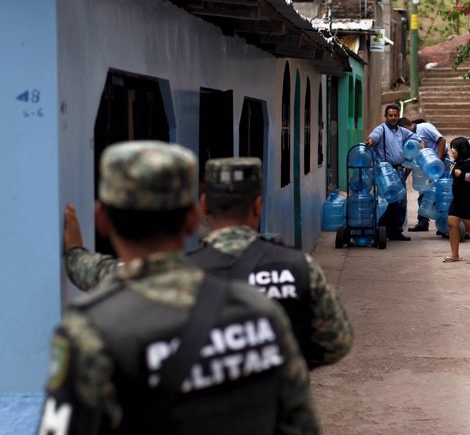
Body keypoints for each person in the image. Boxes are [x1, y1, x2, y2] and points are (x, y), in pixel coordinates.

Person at [38, 141, 319, 434]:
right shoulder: (262, 314)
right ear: (193, 217)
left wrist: (74, 253)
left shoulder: (89, 330)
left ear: (101, 219)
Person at [63, 157, 353, 371]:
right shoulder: (300, 267)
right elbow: (336, 341)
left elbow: (106, 274)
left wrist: (74, 250)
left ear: (203, 206)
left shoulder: (179, 273)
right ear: (258, 205)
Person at [365, 104, 421, 241]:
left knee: (401, 202)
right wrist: (370, 141)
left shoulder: (402, 131)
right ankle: (382, 225)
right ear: (386, 116)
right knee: (393, 201)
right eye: (390, 115)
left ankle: (395, 231)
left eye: (396, 115)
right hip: (386, 171)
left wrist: (420, 149)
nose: (393, 118)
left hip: (399, 170)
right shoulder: (381, 129)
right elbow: (372, 137)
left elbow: (416, 138)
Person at [398, 117, 447, 232]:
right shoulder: (411, 140)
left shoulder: (424, 128)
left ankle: (443, 223)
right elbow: (411, 160)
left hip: (438, 166)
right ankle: (423, 222)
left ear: (406, 127)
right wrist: (403, 178)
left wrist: (438, 161)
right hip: (424, 170)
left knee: (441, 195)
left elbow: (442, 140)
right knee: (424, 195)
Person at [443, 137, 470, 263]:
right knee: (452, 223)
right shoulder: (457, 163)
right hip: (457, 199)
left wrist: (462, 175)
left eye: (454, 148)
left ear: (461, 149)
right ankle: (454, 254)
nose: (452, 151)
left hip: (469, 199)